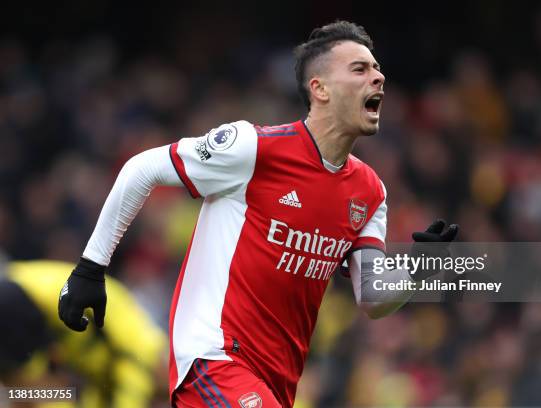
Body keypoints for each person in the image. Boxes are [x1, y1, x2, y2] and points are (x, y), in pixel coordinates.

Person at [58, 21, 458, 407]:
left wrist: (417, 270)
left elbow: (371, 297)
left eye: (377, 68)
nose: (379, 77)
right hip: (214, 358)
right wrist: (91, 268)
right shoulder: (253, 148)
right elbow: (143, 168)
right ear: (319, 89)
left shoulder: (370, 191)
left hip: (277, 382)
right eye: (360, 68)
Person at [1, 260, 166, 408]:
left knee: (23, 392)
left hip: (21, 292)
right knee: (27, 390)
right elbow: (137, 367)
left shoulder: (106, 380)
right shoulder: (144, 352)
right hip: (22, 300)